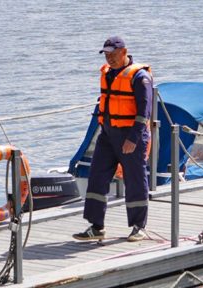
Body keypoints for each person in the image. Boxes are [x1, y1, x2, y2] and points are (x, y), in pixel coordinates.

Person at [73, 36, 152, 242]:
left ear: (124, 52)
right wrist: (103, 130)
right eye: (107, 55)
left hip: (131, 136)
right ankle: (96, 226)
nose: (110, 59)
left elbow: (145, 113)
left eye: (114, 55)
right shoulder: (107, 74)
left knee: (135, 180)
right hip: (107, 135)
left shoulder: (140, 77)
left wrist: (133, 139)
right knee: (97, 176)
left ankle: (138, 226)